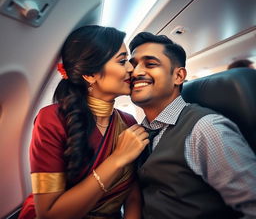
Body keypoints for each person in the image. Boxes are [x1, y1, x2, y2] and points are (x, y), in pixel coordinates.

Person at [18, 25, 149, 219]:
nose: (132, 68)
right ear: (90, 75)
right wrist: (117, 159)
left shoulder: (128, 121)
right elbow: (49, 214)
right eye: (122, 61)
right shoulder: (52, 120)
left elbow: (133, 197)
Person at [129, 32, 256, 219]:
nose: (136, 72)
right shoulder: (141, 131)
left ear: (178, 76)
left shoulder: (205, 129)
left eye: (150, 64)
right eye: (132, 65)